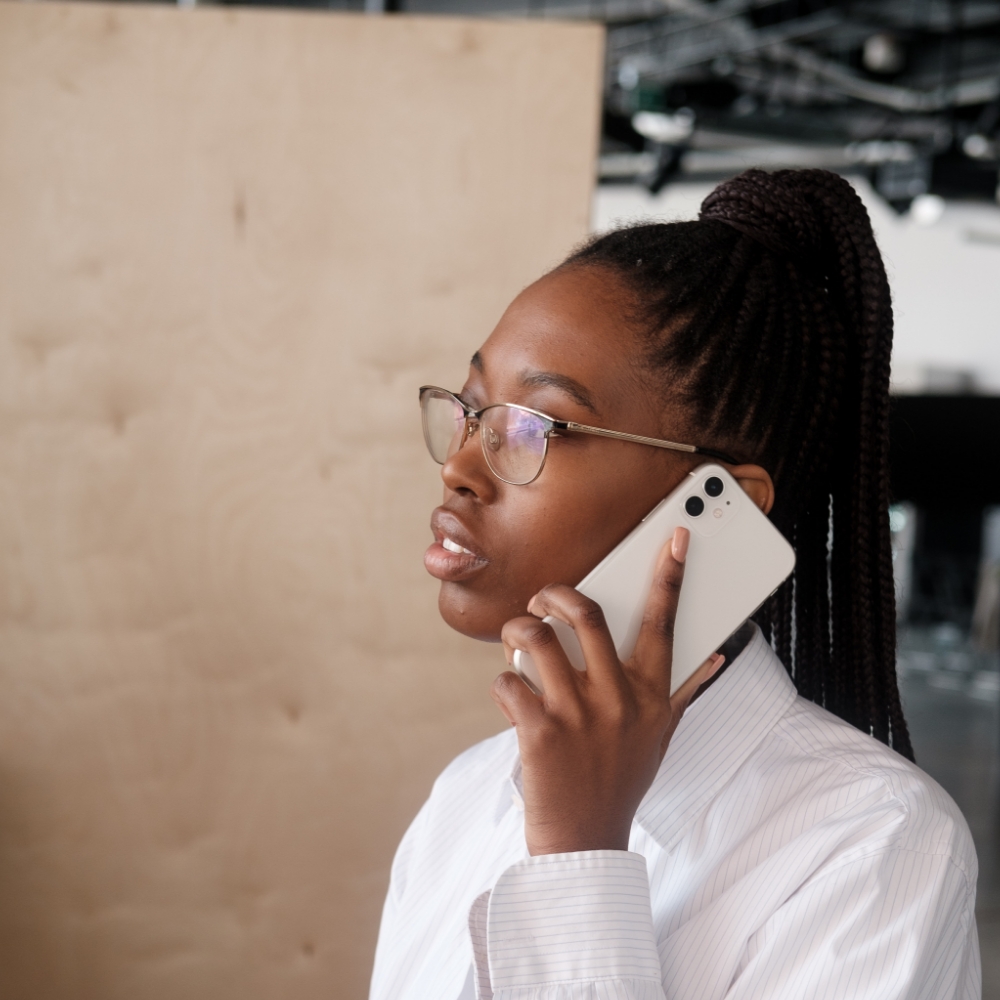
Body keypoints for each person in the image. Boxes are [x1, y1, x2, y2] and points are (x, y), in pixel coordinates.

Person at [369, 169, 980, 1000]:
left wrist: (579, 854)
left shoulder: (876, 847)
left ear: (718, 506)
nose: (460, 465)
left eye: (533, 427)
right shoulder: (468, 797)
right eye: (473, 409)